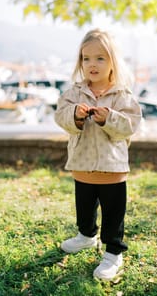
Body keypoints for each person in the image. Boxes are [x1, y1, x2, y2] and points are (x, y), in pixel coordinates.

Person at [54, 28, 141, 281]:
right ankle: (86, 235)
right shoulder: (73, 93)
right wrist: (75, 115)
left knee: (113, 211)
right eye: (86, 58)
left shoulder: (122, 95)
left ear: (113, 61)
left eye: (100, 58)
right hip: (82, 165)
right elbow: (60, 116)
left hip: (112, 169)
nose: (92, 64)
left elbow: (131, 125)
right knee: (84, 204)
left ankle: (113, 252)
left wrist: (109, 118)